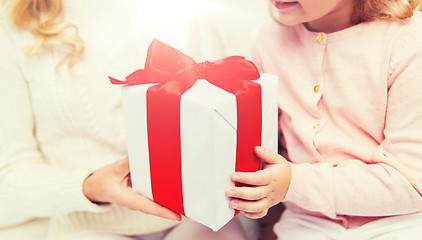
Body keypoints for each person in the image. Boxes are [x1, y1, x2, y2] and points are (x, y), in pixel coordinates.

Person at [0, 0, 250, 239]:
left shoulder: (188, 12)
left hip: (196, 217)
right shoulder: (13, 25)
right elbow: (11, 174)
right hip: (89, 227)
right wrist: (90, 186)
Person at [226, 0, 422, 239]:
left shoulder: (408, 41)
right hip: (308, 222)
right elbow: (253, 144)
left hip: (403, 220)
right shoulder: (268, 40)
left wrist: (294, 184)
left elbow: (413, 183)